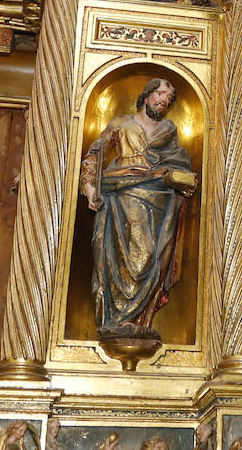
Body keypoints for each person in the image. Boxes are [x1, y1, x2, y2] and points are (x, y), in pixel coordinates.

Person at [79, 77, 198, 338]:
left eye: (168, 98)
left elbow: (179, 163)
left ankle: (140, 320)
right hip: (122, 197)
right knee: (128, 256)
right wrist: (89, 186)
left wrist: (179, 178)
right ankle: (117, 319)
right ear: (146, 96)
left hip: (160, 202)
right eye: (159, 94)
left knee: (153, 256)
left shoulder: (169, 130)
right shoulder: (121, 124)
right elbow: (95, 155)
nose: (163, 101)